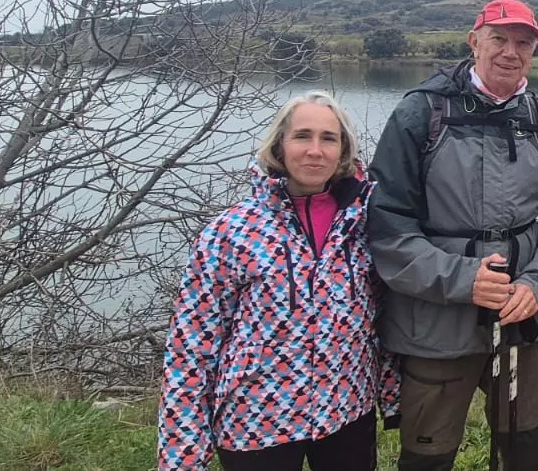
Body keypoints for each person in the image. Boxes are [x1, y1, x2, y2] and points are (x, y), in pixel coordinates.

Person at [367, 0, 538, 471]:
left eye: (523, 43)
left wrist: (537, 284)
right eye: (499, 39)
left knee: (526, 447)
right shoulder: (418, 115)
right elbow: (387, 229)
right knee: (428, 455)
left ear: (534, 52)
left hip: (521, 319)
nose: (510, 51)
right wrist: (465, 280)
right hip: (436, 326)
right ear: (474, 41)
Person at [158, 90, 397, 471]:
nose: (315, 151)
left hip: (346, 410)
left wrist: (392, 393)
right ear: (279, 146)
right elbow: (192, 344)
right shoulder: (232, 231)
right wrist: (183, 451)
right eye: (302, 136)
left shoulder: (368, 223)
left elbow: (384, 316)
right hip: (255, 420)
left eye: (328, 138)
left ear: (343, 151)